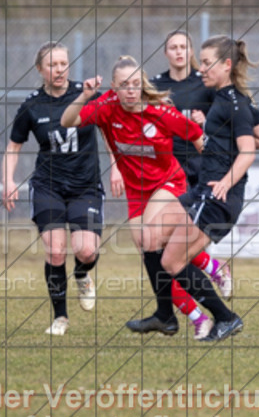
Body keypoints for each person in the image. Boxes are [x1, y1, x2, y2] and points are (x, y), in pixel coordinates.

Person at [60, 56, 235, 341]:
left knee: (151, 239)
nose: (130, 90)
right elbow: (68, 120)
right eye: (124, 85)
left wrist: (221, 176)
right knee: (151, 251)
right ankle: (193, 311)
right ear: (114, 88)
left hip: (168, 183)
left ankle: (177, 311)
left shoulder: (160, 112)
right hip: (136, 191)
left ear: (142, 85)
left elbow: (196, 136)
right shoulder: (105, 106)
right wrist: (84, 96)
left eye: (135, 84)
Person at [3, 41, 121, 336]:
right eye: (52, 65)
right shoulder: (31, 105)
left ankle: (83, 274)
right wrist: (8, 179)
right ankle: (60, 317)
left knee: (85, 251)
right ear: (40, 70)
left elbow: (109, 129)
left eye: (63, 63)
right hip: (48, 186)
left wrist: (117, 165)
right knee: (55, 252)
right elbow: (13, 146)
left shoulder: (86, 94)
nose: (59, 69)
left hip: (85, 186)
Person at [152, 29, 259, 298]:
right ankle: (214, 273)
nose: (202, 69)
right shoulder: (222, 99)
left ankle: (218, 317)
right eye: (203, 62)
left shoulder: (232, 102)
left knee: (171, 260)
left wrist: (226, 181)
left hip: (212, 187)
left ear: (226, 65)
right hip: (190, 181)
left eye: (207, 63)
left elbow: (249, 150)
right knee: (155, 237)